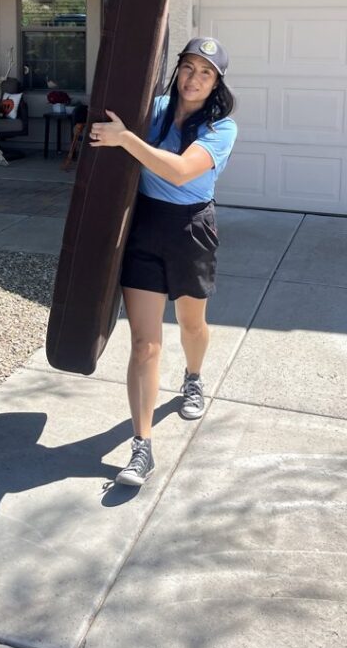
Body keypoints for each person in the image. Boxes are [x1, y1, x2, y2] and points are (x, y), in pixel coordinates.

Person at [89, 37, 237, 487]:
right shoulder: (152, 109)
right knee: (144, 343)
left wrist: (126, 139)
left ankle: (193, 377)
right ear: (178, 70)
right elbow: (109, 127)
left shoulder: (222, 128)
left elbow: (177, 171)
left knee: (191, 324)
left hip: (191, 228)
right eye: (189, 68)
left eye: (205, 73)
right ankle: (141, 447)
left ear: (216, 84)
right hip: (145, 225)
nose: (194, 79)